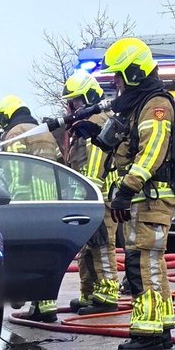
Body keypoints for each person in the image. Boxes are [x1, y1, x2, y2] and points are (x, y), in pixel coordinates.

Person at [98, 38, 175, 350]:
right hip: (144, 200)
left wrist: (127, 188)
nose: (116, 82)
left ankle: (147, 334)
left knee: (141, 264)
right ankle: (162, 327)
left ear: (134, 72)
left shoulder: (155, 105)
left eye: (118, 75)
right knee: (152, 264)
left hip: (150, 199)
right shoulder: (139, 104)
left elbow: (152, 153)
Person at [0, 94, 62, 321]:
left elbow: (15, 169)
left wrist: (13, 201)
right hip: (50, 200)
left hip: (29, 200)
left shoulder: (15, 133)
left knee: (27, 254)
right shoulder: (45, 132)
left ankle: (25, 295)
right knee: (47, 252)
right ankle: (47, 305)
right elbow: (60, 165)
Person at [62, 70, 120, 315]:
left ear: (86, 98)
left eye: (74, 101)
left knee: (103, 246)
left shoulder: (98, 120)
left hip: (101, 197)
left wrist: (92, 196)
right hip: (89, 197)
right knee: (88, 248)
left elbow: (96, 161)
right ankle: (90, 293)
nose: (71, 107)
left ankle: (107, 295)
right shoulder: (85, 123)